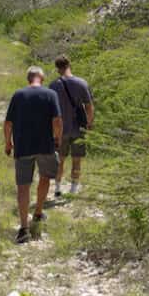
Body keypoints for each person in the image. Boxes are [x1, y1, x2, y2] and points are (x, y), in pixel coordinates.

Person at [4, 66, 63, 244]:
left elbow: (8, 123)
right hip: (45, 145)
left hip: (23, 146)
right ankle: (37, 212)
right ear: (42, 79)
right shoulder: (50, 94)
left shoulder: (18, 95)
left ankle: (23, 228)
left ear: (28, 79)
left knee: (23, 187)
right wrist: (58, 139)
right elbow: (57, 120)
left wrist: (8, 142)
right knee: (45, 177)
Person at [49, 55, 94, 196]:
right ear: (69, 65)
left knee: (60, 159)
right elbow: (89, 107)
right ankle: (73, 189)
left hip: (60, 129)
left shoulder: (53, 86)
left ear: (57, 69)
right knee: (77, 159)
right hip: (79, 128)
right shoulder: (82, 83)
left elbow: (50, 111)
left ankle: (57, 188)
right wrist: (89, 124)